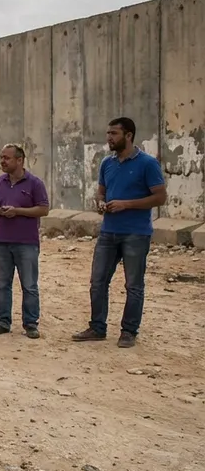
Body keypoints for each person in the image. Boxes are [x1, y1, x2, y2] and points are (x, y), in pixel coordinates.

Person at [73, 117, 167, 348]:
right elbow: (101, 192)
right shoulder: (107, 163)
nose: (109, 138)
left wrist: (126, 204)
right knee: (97, 281)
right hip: (109, 232)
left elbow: (160, 197)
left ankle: (129, 331)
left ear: (129, 135)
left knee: (133, 285)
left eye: (114, 133)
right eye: (108, 133)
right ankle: (97, 327)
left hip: (136, 233)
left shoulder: (147, 163)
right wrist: (101, 203)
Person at [0, 144, 50, 338]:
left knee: (29, 285)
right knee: (2, 284)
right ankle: (2, 322)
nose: (2, 161)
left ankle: (30, 324)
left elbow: (43, 209)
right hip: (1, 241)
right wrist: (1, 211)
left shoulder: (35, 183)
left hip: (26, 243)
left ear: (19, 160)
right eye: (1, 157)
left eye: (7, 158)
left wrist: (18, 211)